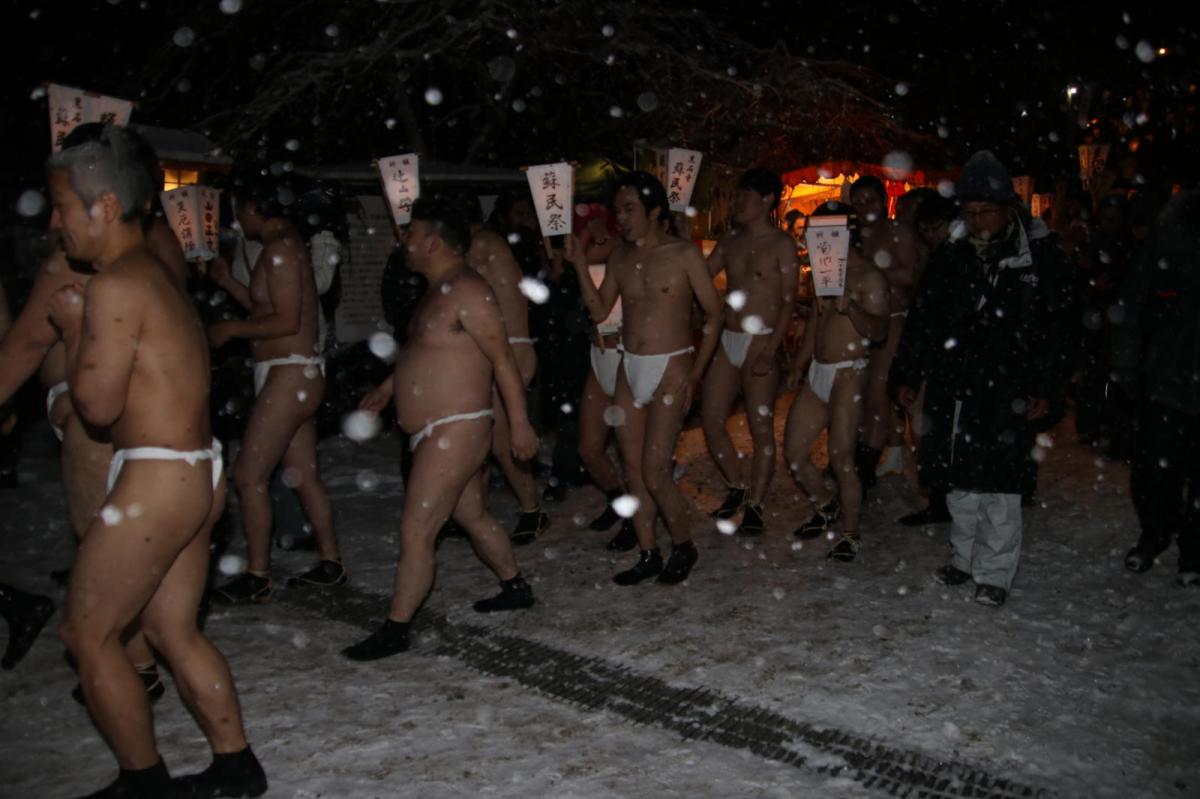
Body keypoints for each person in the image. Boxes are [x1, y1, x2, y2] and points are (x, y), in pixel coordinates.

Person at [47, 124, 265, 798]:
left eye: (61, 207)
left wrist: (75, 327)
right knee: (171, 627)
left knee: (87, 633)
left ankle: (143, 783)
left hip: (157, 477)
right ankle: (236, 763)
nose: (55, 224)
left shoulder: (116, 285)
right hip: (197, 469)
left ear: (105, 206)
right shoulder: (161, 276)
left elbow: (99, 406)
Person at [0, 122, 186, 703]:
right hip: (156, 427)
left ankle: (130, 671)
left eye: (62, 205)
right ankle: (142, 657)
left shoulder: (90, 259)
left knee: (103, 554)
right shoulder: (157, 241)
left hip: (102, 419)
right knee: (148, 561)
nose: (57, 223)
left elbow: (30, 341)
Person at [343, 197, 538, 661]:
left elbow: (502, 360)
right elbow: (424, 352)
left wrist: (520, 424)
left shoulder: (469, 290)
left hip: (457, 427)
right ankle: (514, 585)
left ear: (432, 242)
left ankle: (396, 627)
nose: (403, 241)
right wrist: (390, 388)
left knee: (416, 529)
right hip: (439, 428)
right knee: (471, 515)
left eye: (410, 233)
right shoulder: (438, 288)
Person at [891, 150, 1075, 606]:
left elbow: (1061, 331)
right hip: (956, 382)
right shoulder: (952, 256)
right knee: (958, 479)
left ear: (1007, 208)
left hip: (1008, 388)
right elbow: (923, 319)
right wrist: (908, 372)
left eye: (984, 211)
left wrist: (1046, 389)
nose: (976, 221)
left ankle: (994, 571)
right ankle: (963, 558)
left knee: (1000, 484)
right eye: (969, 212)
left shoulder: (1040, 259)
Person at [565, 172, 724, 585]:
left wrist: (697, 372)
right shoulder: (620, 257)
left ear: (654, 211)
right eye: (618, 209)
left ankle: (684, 545)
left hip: (671, 366)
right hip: (628, 366)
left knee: (655, 470)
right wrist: (580, 265)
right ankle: (648, 550)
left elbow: (715, 313)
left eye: (629, 208)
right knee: (633, 468)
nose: (621, 217)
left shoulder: (683, 254)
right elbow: (600, 311)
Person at [205, 178, 345, 603]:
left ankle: (257, 573)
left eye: (237, 209)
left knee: (249, 475)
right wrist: (228, 282)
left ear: (253, 207)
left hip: (290, 372)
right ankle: (330, 562)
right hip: (293, 372)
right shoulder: (283, 245)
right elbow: (269, 307)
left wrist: (231, 328)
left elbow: (285, 322)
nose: (235, 219)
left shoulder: (283, 249)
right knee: (303, 473)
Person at [783, 203, 889, 561]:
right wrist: (799, 365)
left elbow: (880, 329)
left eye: (825, 234)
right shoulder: (824, 273)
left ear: (847, 235)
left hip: (849, 371)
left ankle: (851, 531)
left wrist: (852, 307)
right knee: (795, 454)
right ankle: (826, 505)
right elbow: (816, 322)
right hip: (819, 370)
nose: (819, 242)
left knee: (842, 457)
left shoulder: (869, 277)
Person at [702, 168, 799, 535]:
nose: (737, 202)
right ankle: (737, 486)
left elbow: (789, 302)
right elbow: (702, 274)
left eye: (744, 196)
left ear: (766, 200)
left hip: (763, 341)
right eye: (737, 196)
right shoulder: (729, 240)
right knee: (711, 421)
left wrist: (772, 349)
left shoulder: (782, 244)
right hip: (730, 339)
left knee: (761, 431)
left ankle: (756, 504)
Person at [1111, 190, 1200, 586]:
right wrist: (1127, 363)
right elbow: (1133, 304)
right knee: (1154, 468)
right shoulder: (1171, 233)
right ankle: (1155, 532)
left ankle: (1194, 551)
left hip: (1173, 371)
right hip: (1166, 374)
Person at [466, 206, 549, 544]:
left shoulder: (482, 245)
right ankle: (476, 511)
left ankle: (532, 510)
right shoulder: (490, 243)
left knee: (502, 441)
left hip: (511, 351)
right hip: (503, 350)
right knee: (482, 438)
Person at [847, 176, 921, 497]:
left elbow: (910, 274)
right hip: (862, 322)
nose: (865, 207)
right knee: (864, 395)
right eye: (858, 202)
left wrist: (873, 274)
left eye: (870, 200)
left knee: (878, 395)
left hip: (893, 320)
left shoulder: (898, 232)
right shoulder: (856, 236)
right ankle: (885, 451)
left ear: (884, 201)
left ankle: (866, 465)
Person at [569, 204, 637, 550]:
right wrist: (581, 238)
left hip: (626, 354)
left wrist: (588, 235)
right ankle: (619, 503)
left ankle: (638, 522)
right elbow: (559, 266)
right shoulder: (586, 245)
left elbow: (602, 249)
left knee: (631, 453)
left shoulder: (622, 247)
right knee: (590, 448)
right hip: (598, 353)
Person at [895, 192, 959, 527]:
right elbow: (922, 320)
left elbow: (925, 320)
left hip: (951, 365)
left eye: (936, 227)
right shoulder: (941, 258)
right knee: (930, 437)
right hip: (937, 362)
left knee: (940, 437)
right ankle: (940, 501)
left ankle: (947, 503)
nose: (932, 234)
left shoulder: (958, 258)